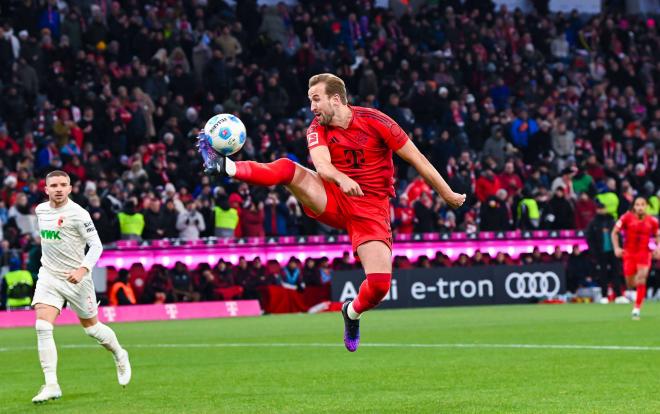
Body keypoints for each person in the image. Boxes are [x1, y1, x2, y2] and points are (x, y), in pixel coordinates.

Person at [198, 73, 465, 352]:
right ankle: (226, 167)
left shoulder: (378, 121)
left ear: (335, 99)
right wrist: (342, 179)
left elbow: (417, 158)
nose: (312, 107)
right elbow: (322, 166)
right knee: (289, 169)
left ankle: (351, 312)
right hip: (332, 197)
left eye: (316, 99)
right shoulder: (317, 128)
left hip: (371, 209)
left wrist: (446, 193)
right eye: (310, 100)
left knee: (379, 286)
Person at [30, 171, 131, 403]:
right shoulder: (40, 210)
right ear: (45, 189)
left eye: (63, 185)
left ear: (70, 188)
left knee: (92, 329)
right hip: (48, 276)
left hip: (77, 279)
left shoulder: (79, 214)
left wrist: (83, 269)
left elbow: (96, 246)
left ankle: (119, 353)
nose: (58, 189)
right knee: (42, 326)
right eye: (53, 185)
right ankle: (51, 384)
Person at [611, 197, 660, 320]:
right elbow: (614, 232)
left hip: (644, 253)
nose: (640, 207)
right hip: (629, 254)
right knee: (630, 282)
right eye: (637, 205)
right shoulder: (626, 217)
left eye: (642, 204)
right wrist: (617, 248)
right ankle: (632, 294)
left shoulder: (652, 221)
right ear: (634, 206)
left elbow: (657, 235)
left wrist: (658, 248)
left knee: (641, 278)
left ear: (646, 206)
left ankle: (637, 308)